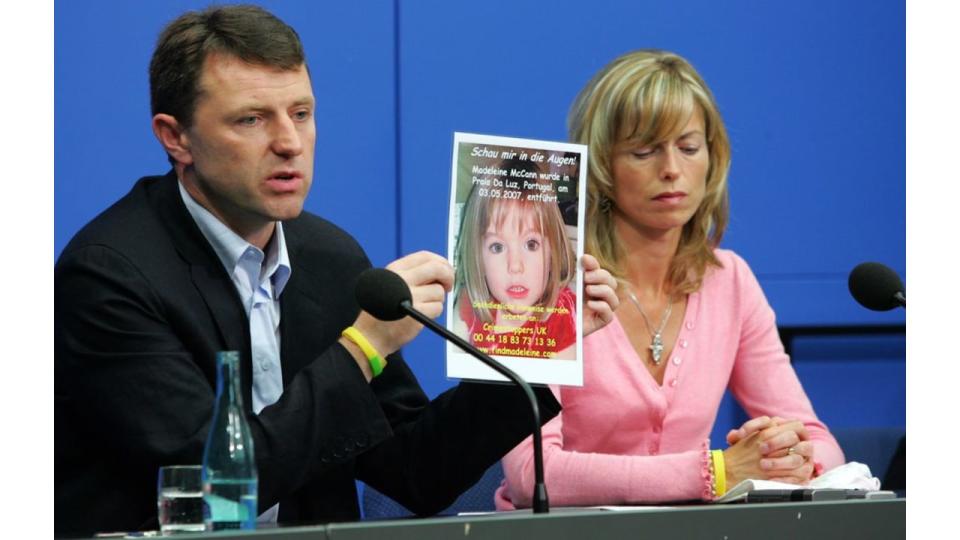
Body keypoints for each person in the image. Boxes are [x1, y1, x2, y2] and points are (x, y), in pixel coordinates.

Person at [53, 5, 618, 536]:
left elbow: (417, 470)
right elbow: (210, 489)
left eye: (301, 113)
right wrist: (361, 349)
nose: (289, 142)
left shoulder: (327, 256)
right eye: (251, 120)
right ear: (175, 137)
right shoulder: (109, 276)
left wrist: (538, 344)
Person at [496, 49, 845, 509]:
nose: (671, 170)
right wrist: (716, 472)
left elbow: (822, 446)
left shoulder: (729, 281)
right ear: (601, 167)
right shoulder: (538, 281)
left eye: (688, 147)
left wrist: (786, 455)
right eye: (644, 151)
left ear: (712, 158)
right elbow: (531, 474)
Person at [453, 158, 578, 360]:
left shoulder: (562, 314)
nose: (515, 266)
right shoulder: (471, 305)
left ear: (553, 250)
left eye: (531, 244)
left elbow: (557, 391)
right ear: (478, 258)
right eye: (497, 247)